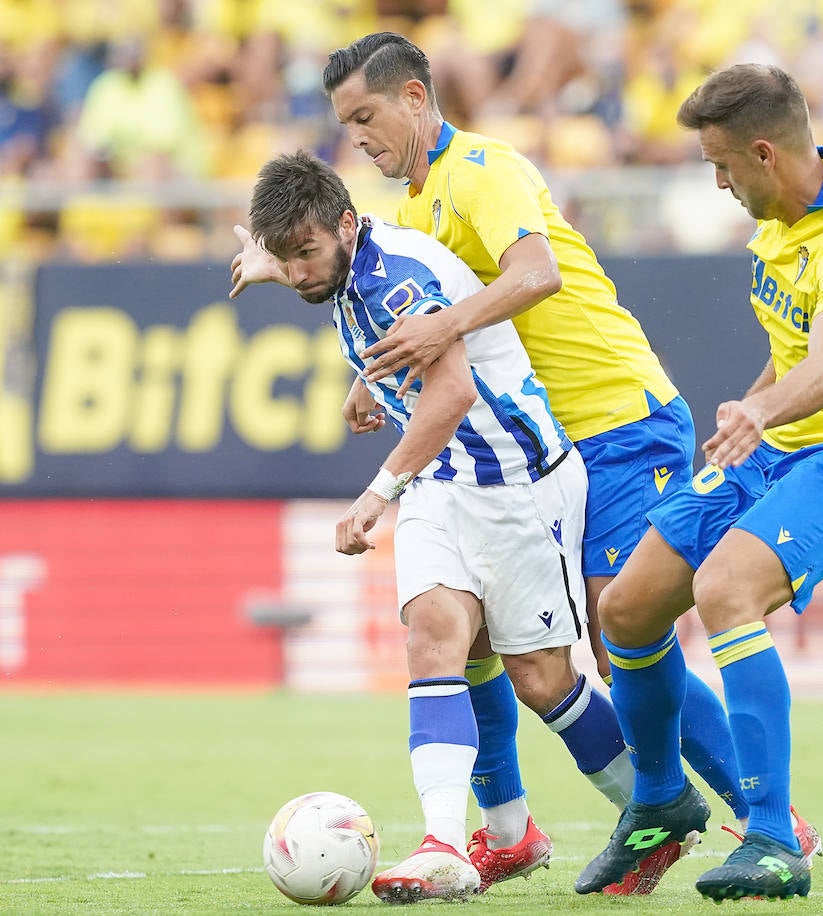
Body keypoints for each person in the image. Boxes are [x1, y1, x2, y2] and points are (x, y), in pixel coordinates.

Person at [313, 31, 822, 893]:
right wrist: (377, 375)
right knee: (485, 632)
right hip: (541, 454)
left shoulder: (483, 170)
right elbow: (430, 324)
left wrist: (441, 329)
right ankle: (521, 829)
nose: (356, 137)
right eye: (345, 123)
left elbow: (537, 273)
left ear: (413, 98)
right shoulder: (416, 211)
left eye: (365, 115)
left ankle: (768, 816)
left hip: (618, 418)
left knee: (624, 631)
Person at [574, 63, 823, 901]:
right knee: (625, 609)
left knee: (726, 588)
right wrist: (754, 417)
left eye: (722, 166)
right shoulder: (780, 216)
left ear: (764, 153)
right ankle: (661, 804)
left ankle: (774, 838)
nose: (720, 183)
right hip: (780, 444)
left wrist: (760, 413)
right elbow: (793, 349)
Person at [238, 150, 628, 904]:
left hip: (515, 483)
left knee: (543, 680)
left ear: (345, 224)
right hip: (444, 483)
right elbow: (331, 281)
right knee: (434, 641)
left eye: (305, 253)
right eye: (286, 258)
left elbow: (451, 393)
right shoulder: (343, 264)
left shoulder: (396, 281)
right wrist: (280, 271)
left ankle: (656, 807)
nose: (299, 272)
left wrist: (376, 494)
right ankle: (447, 844)